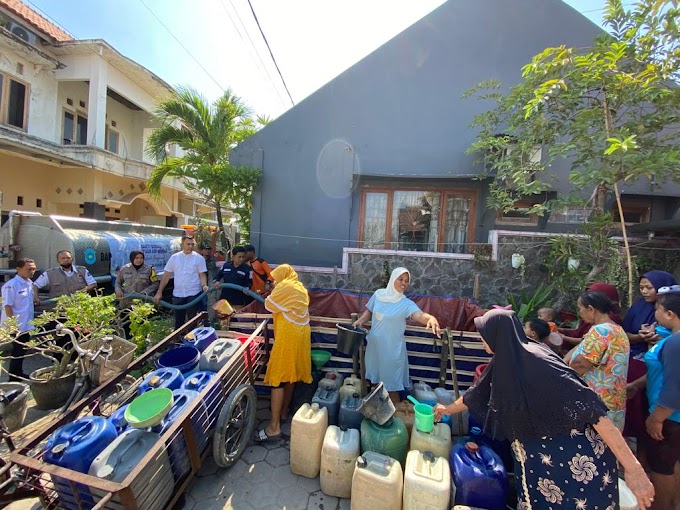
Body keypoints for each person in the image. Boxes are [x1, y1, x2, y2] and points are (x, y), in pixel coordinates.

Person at [434, 309, 655, 510]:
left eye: (483, 334)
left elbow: (593, 412)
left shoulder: (537, 362)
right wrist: (446, 410)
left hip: (573, 459)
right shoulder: (508, 358)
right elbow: (476, 394)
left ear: (496, 335)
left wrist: (633, 469)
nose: (481, 340)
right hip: (539, 464)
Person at [352, 267, 441, 404]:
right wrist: (360, 321)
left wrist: (430, 318)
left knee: (391, 388)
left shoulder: (405, 303)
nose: (404, 283)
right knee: (376, 383)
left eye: (406, 281)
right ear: (393, 278)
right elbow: (369, 311)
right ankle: (377, 415)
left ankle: (395, 419)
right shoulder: (378, 295)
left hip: (392, 352)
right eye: (401, 279)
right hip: (375, 348)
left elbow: (418, 315)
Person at [627, 286, 680, 509]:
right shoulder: (669, 340)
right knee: (673, 465)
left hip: (669, 418)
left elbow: (675, 387)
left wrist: (656, 418)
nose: (655, 313)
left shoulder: (675, 343)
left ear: (670, 314)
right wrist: (637, 385)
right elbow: (661, 372)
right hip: (672, 417)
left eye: (658, 309)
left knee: (662, 469)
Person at [255, 264, 312, 442]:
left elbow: (269, 304)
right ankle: (284, 412)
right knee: (290, 374)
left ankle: (274, 427)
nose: (274, 282)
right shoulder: (299, 287)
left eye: (275, 279)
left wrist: (270, 292)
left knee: (278, 379)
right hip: (301, 335)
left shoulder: (285, 286)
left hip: (288, 336)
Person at [566, 291, 630, 431]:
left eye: (580, 308)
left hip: (597, 404)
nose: (580, 313)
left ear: (591, 309)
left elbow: (581, 364)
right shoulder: (617, 329)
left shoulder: (601, 331)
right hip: (613, 402)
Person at [153, 235, 209, 330]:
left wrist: (204, 285)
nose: (190, 246)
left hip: (193, 293)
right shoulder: (174, 258)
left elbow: (202, 275)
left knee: (192, 320)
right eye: (188, 244)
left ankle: (192, 341)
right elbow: (166, 275)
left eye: (192, 244)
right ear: (182, 244)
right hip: (178, 293)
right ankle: (178, 340)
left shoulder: (199, 258)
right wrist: (159, 292)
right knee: (178, 321)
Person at [623, 270, 677, 357]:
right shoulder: (638, 306)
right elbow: (624, 334)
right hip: (635, 355)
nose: (644, 291)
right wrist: (640, 337)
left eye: (649, 288)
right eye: (641, 287)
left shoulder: (675, 307)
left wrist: (662, 340)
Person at [1, 258, 38, 381]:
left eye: (33, 269)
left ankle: (18, 373)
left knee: (22, 351)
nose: (32, 271)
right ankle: (13, 378)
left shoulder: (29, 283)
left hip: (27, 324)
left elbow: (26, 302)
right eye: (29, 269)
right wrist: (12, 325)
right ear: (19, 269)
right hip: (16, 326)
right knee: (17, 352)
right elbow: (7, 306)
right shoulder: (11, 285)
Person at [560, 282, 623, 346]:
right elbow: (580, 334)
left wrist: (563, 338)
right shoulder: (595, 318)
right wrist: (560, 330)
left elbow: (586, 342)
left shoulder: (604, 326)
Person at [213, 246, 252, 310]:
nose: (241, 259)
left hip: (238, 301)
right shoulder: (226, 265)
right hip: (225, 298)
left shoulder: (248, 269)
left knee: (236, 319)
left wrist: (246, 289)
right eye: (239, 257)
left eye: (243, 257)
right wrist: (216, 282)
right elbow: (217, 277)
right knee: (223, 317)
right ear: (233, 257)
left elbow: (249, 282)